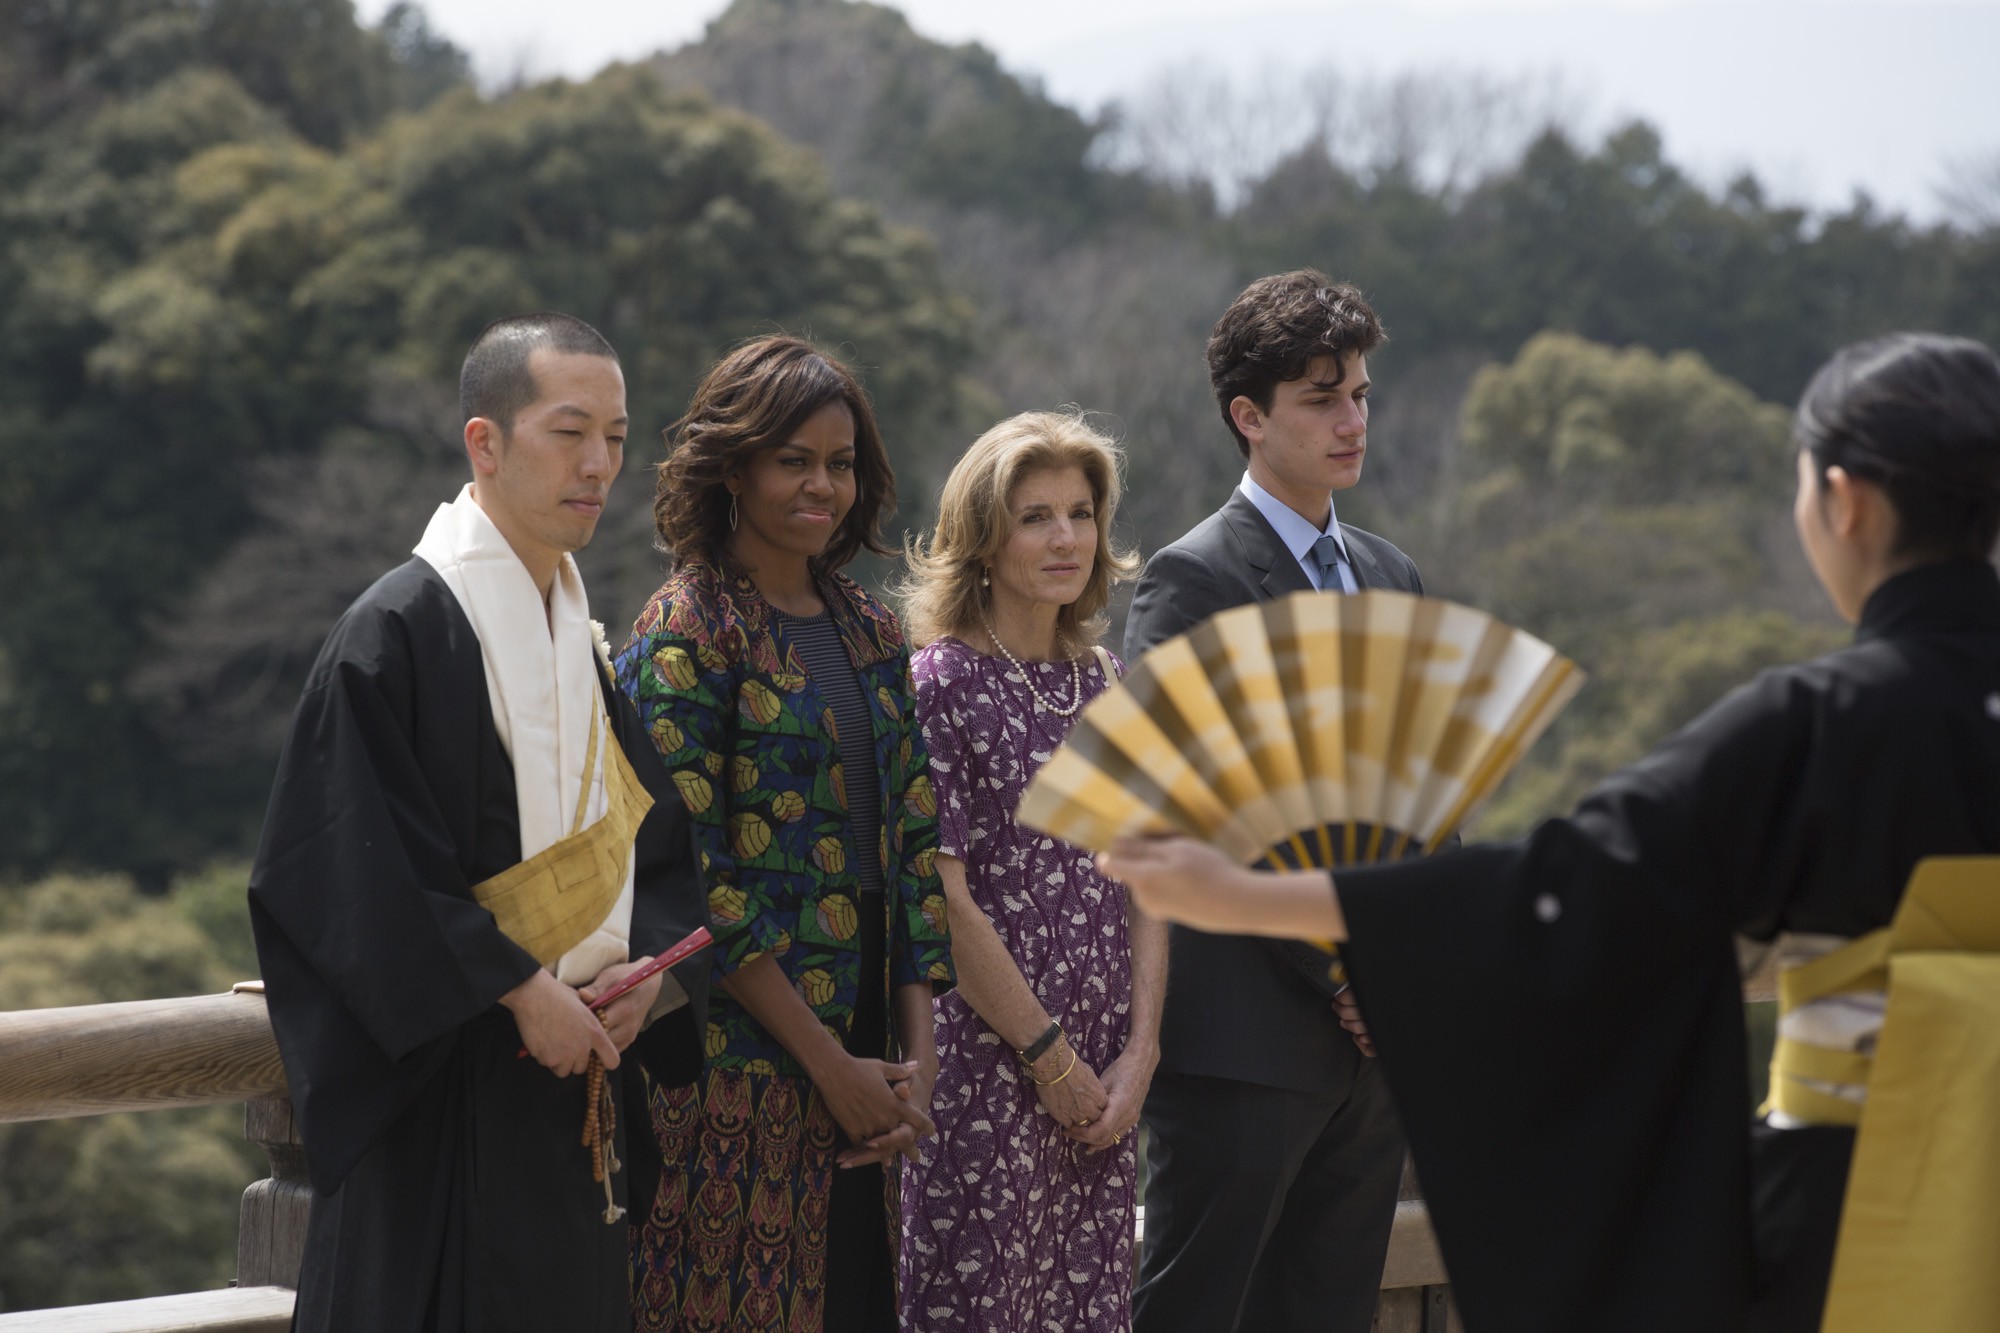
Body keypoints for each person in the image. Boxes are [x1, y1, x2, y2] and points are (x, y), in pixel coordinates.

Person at [1100, 332, 2000, 1333]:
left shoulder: (1822, 721)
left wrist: (1242, 898)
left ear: (1844, 502)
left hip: (1873, 1182)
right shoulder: (1200, 573)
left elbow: (1569, 885)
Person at [247, 312, 711, 1333]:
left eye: (618, 438)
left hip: (573, 1089)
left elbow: (656, 841)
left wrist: (653, 975)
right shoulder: (395, 632)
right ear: (485, 443)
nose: (598, 464)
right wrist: (512, 986)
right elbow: (341, 872)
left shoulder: (575, 640)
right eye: (569, 430)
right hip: (441, 1106)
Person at [615, 335, 955, 1333]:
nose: (823, 485)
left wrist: (915, 1057)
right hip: (734, 1058)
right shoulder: (683, 636)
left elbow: (911, 846)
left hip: (867, 1049)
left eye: (841, 462)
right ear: (733, 468)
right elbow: (694, 888)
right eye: (792, 460)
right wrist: (828, 1067)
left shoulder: (871, 631)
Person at [1122, 269, 1422, 1333]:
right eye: (1319, 398)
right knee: (1198, 1313)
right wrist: (1340, 967)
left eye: (1359, 394)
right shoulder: (1188, 578)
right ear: (1248, 417)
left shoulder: (1391, 575)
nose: (1351, 420)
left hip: (1373, 1049)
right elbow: (1189, 804)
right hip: (1241, 1040)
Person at [895, 410, 1163, 1331]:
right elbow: (944, 898)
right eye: (1035, 515)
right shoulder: (940, 683)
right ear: (981, 536)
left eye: (1081, 513)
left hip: (1103, 1099)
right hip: (987, 1082)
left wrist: (1139, 1057)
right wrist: (1051, 1058)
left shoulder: (1108, 681)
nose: (1066, 538)